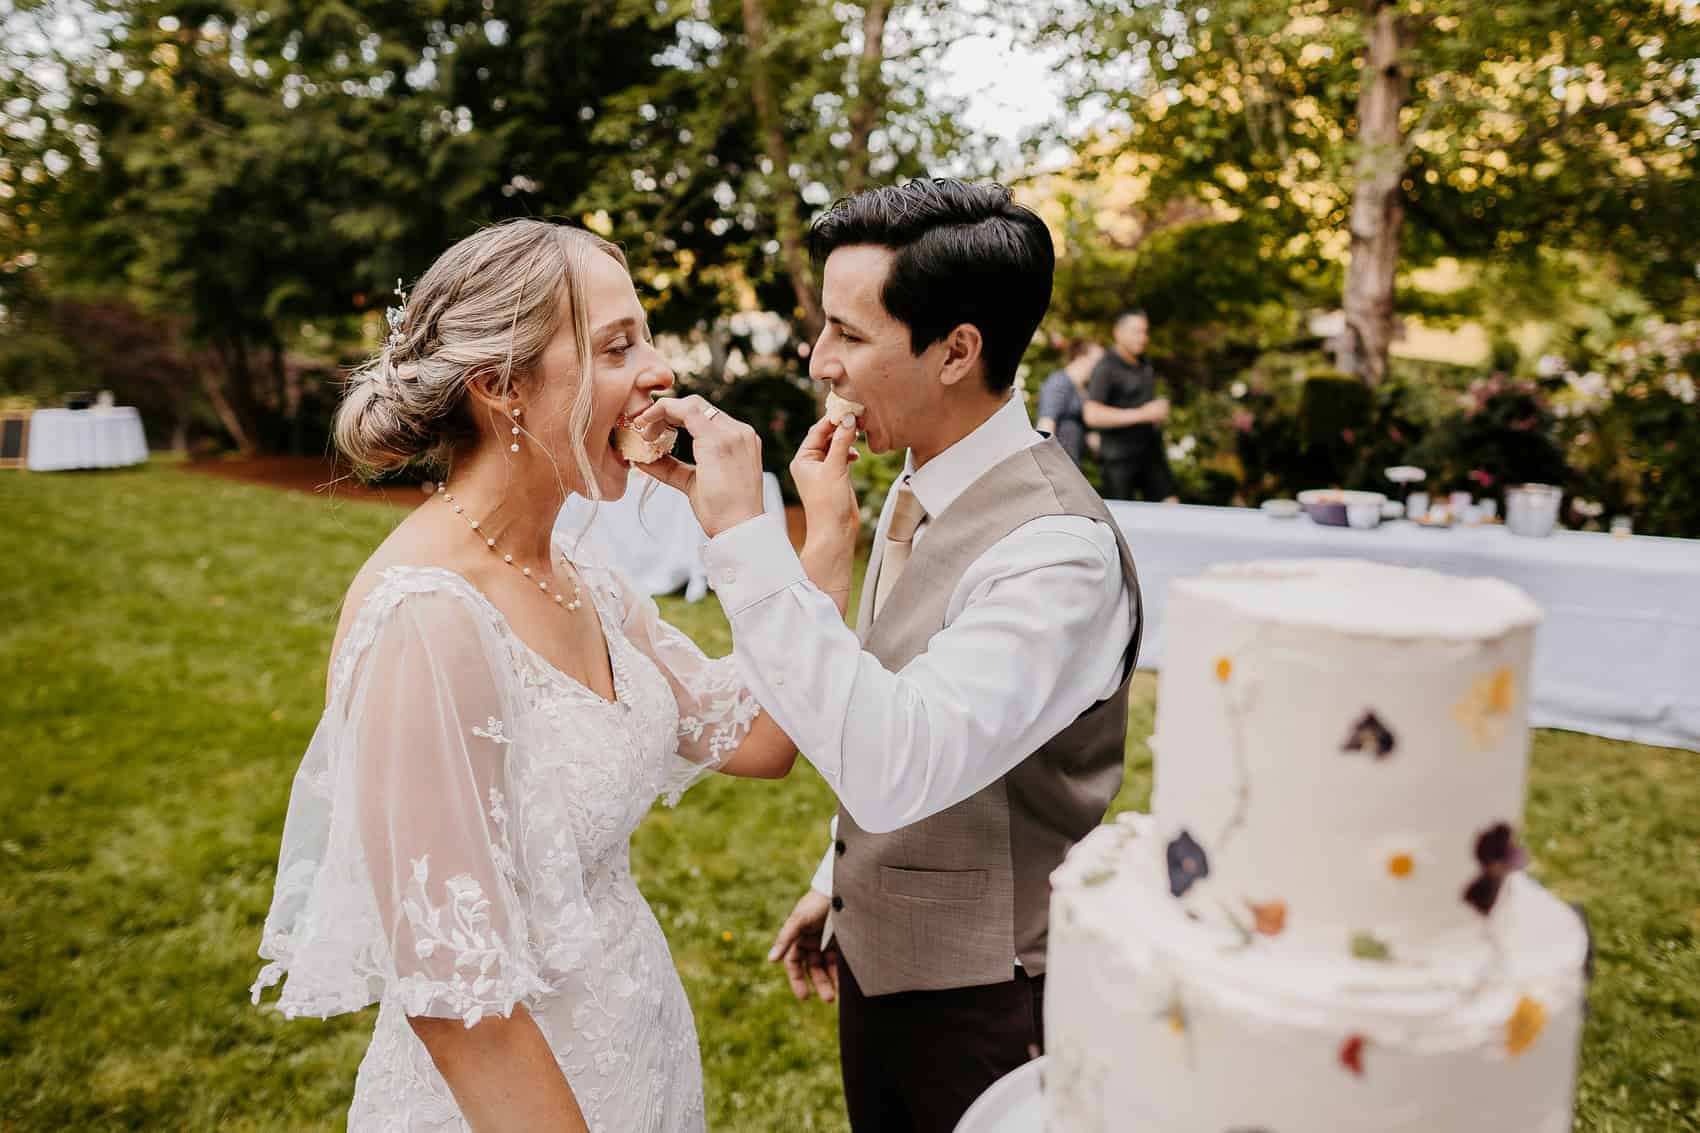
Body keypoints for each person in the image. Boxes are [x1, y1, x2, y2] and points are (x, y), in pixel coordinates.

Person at [249, 218, 854, 1133]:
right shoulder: (426, 617)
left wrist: (807, 537)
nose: (658, 371)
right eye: (618, 345)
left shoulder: (586, 581)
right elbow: (459, 1004)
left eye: (646, 337)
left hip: (634, 1054)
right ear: (500, 387)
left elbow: (763, 740)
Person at [634, 179, 1142, 1133]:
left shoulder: (1056, 553)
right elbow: (900, 699)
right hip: (879, 963)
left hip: (994, 1005)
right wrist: (841, 883)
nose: (820, 361)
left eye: (850, 335)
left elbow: (898, 762)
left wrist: (746, 538)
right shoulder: (912, 483)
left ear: (958, 349)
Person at [1083, 309, 1179, 502]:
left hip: (1150, 452)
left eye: (1145, 332)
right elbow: (1091, 414)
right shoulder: (1106, 367)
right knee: (1123, 519)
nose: (1143, 338)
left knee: (1171, 505)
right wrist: (1142, 414)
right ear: (1118, 332)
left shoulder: (1144, 363)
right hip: (1119, 458)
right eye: (1136, 332)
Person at [1035, 338, 1104, 467]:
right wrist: (1048, 466)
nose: (1103, 369)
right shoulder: (1059, 382)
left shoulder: (1083, 389)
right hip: (1057, 466)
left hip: (1072, 465)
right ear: (1081, 358)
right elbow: (1045, 425)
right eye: (1099, 362)